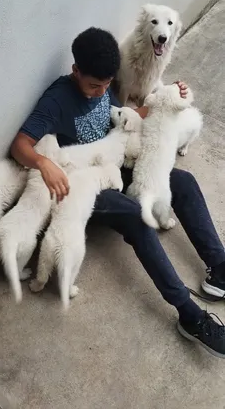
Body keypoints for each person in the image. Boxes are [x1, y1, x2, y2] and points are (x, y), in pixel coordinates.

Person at [11, 27, 225, 358]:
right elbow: (19, 145)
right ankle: (190, 316)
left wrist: (172, 97)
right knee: (135, 216)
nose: (101, 92)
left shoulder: (104, 88)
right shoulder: (57, 99)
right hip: (84, 183)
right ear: (76, 71)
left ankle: (220, 265)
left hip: (118, 163)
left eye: (107, 84)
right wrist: (43, 162)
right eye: (94, 85)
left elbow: (130, 118)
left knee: (184, 182)